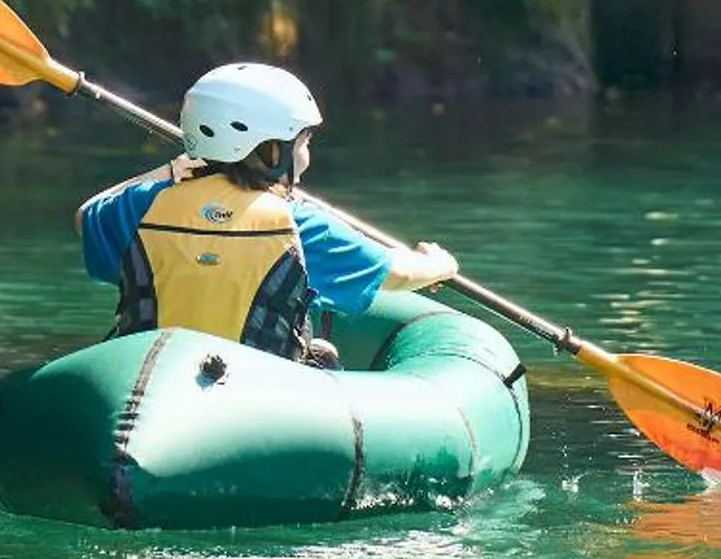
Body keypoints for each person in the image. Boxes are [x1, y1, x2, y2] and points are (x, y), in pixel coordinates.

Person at [78, 61, 458, 364]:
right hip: (259, 395)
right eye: (303, 143)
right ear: (272, 151)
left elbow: (87, 215)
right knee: (324, 355)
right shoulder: (300, 225)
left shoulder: (143, 203)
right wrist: (441, 265)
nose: (307, 157)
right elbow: (399, 272)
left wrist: (172, 170)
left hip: (152, 375)